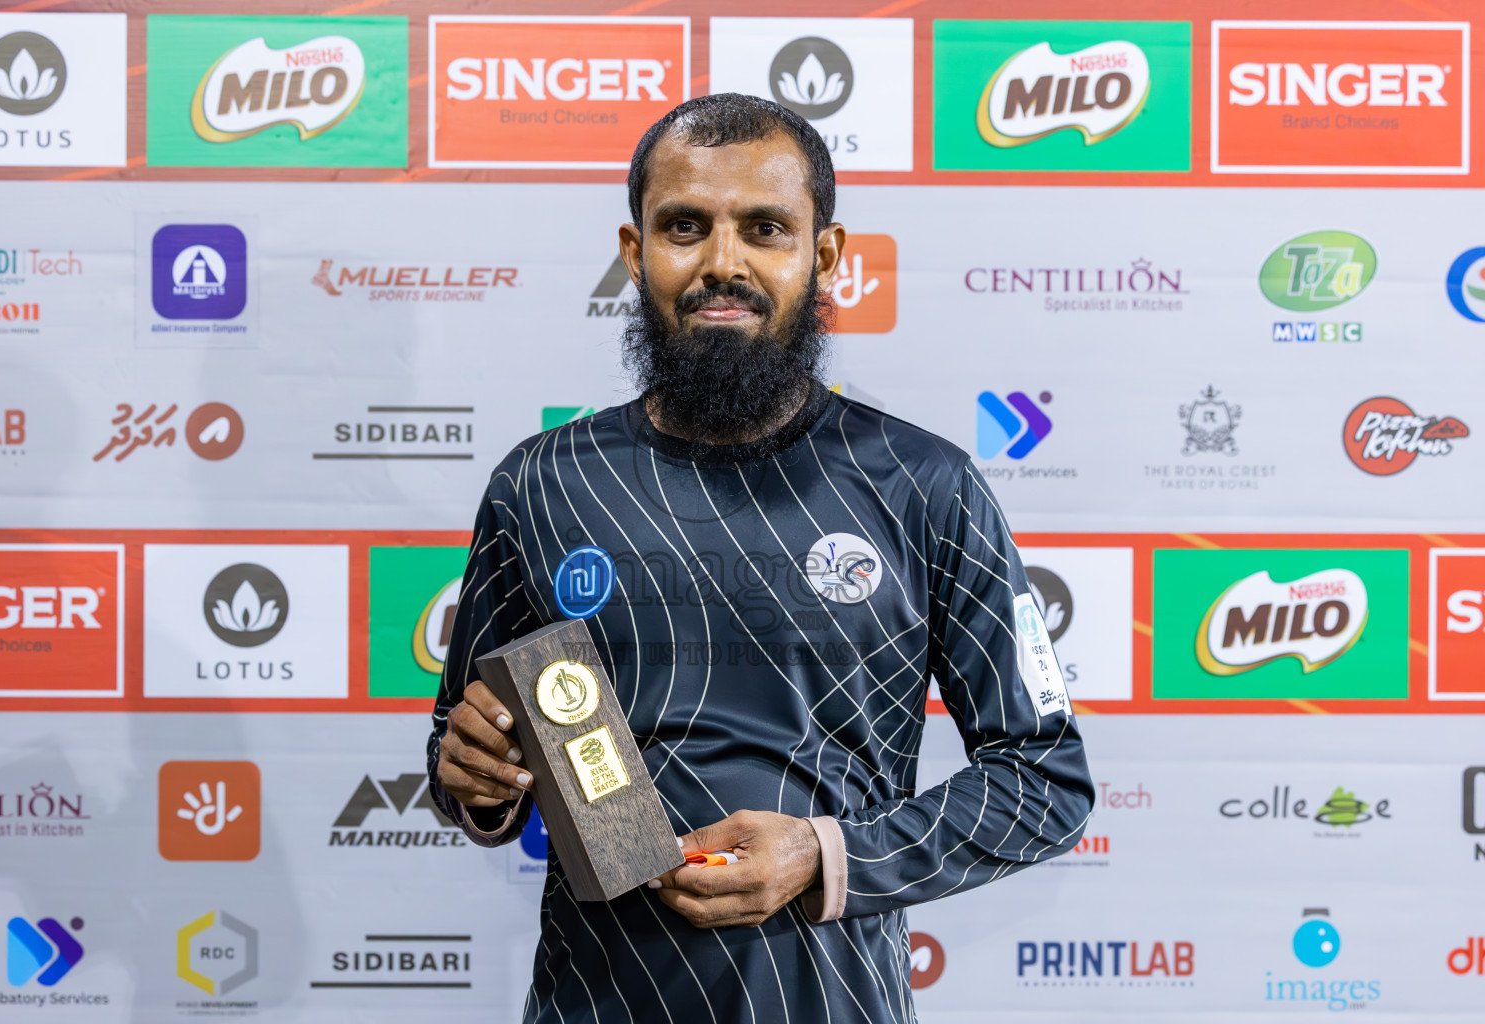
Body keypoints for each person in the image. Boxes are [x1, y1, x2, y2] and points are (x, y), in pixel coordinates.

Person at [427, 93, 1093, 1023]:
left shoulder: (924, 484)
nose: (721, 265)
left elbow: (1045, 779)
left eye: (764, 229)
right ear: (635, 251)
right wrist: (477, 783)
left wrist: (827, 857)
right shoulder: (544, 484)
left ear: (823, 255)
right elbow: (465, 762)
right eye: (685, 227)